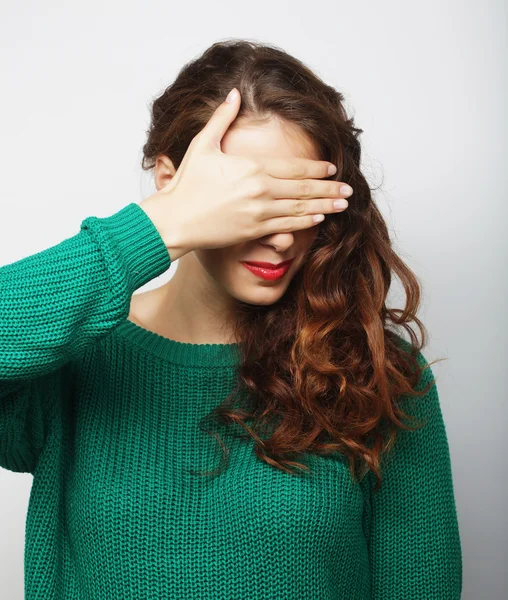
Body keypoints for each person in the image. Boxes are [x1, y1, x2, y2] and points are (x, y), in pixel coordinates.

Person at [0, 39, 462, 599]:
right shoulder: (73, 357)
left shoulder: (374, 372)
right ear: (172, 185)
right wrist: (157, 227)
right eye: (253, 203)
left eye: (301, 202)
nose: (282, 237)